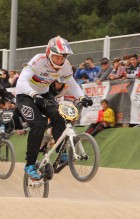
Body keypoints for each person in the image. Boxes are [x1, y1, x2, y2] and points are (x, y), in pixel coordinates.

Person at [15, 36, 93, 180]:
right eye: (56, 57)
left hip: (44, 94)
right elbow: (21, 81)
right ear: (49, 53)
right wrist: (32, 93)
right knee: (39, 124)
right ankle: (30, 165)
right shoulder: (38, 60)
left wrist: (82, 97)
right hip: (25, 95)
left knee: (59, 114)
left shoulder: (65, 65)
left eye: (62, 58)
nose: (59, 61)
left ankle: (61, 152)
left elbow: (73, 84)